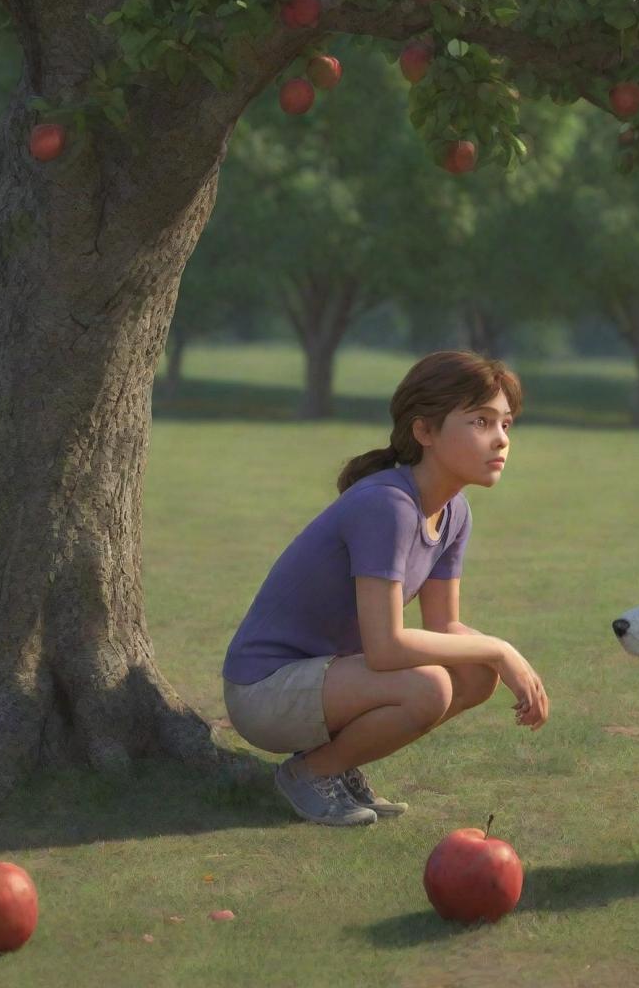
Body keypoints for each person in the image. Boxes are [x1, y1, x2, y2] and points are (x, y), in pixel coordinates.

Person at [221, 350, 549, 827]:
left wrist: (495, 660)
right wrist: (501, 649)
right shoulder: (387, 505)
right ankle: (312, 772)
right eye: (481, 421)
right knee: (432, 684)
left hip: (328, 679)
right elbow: (386, 647)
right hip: (265, 690)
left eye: (506, 424)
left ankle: (336, 767)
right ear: (425, 431)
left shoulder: (454, 512)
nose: (500, 440)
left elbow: (443, 625)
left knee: (476, 673)